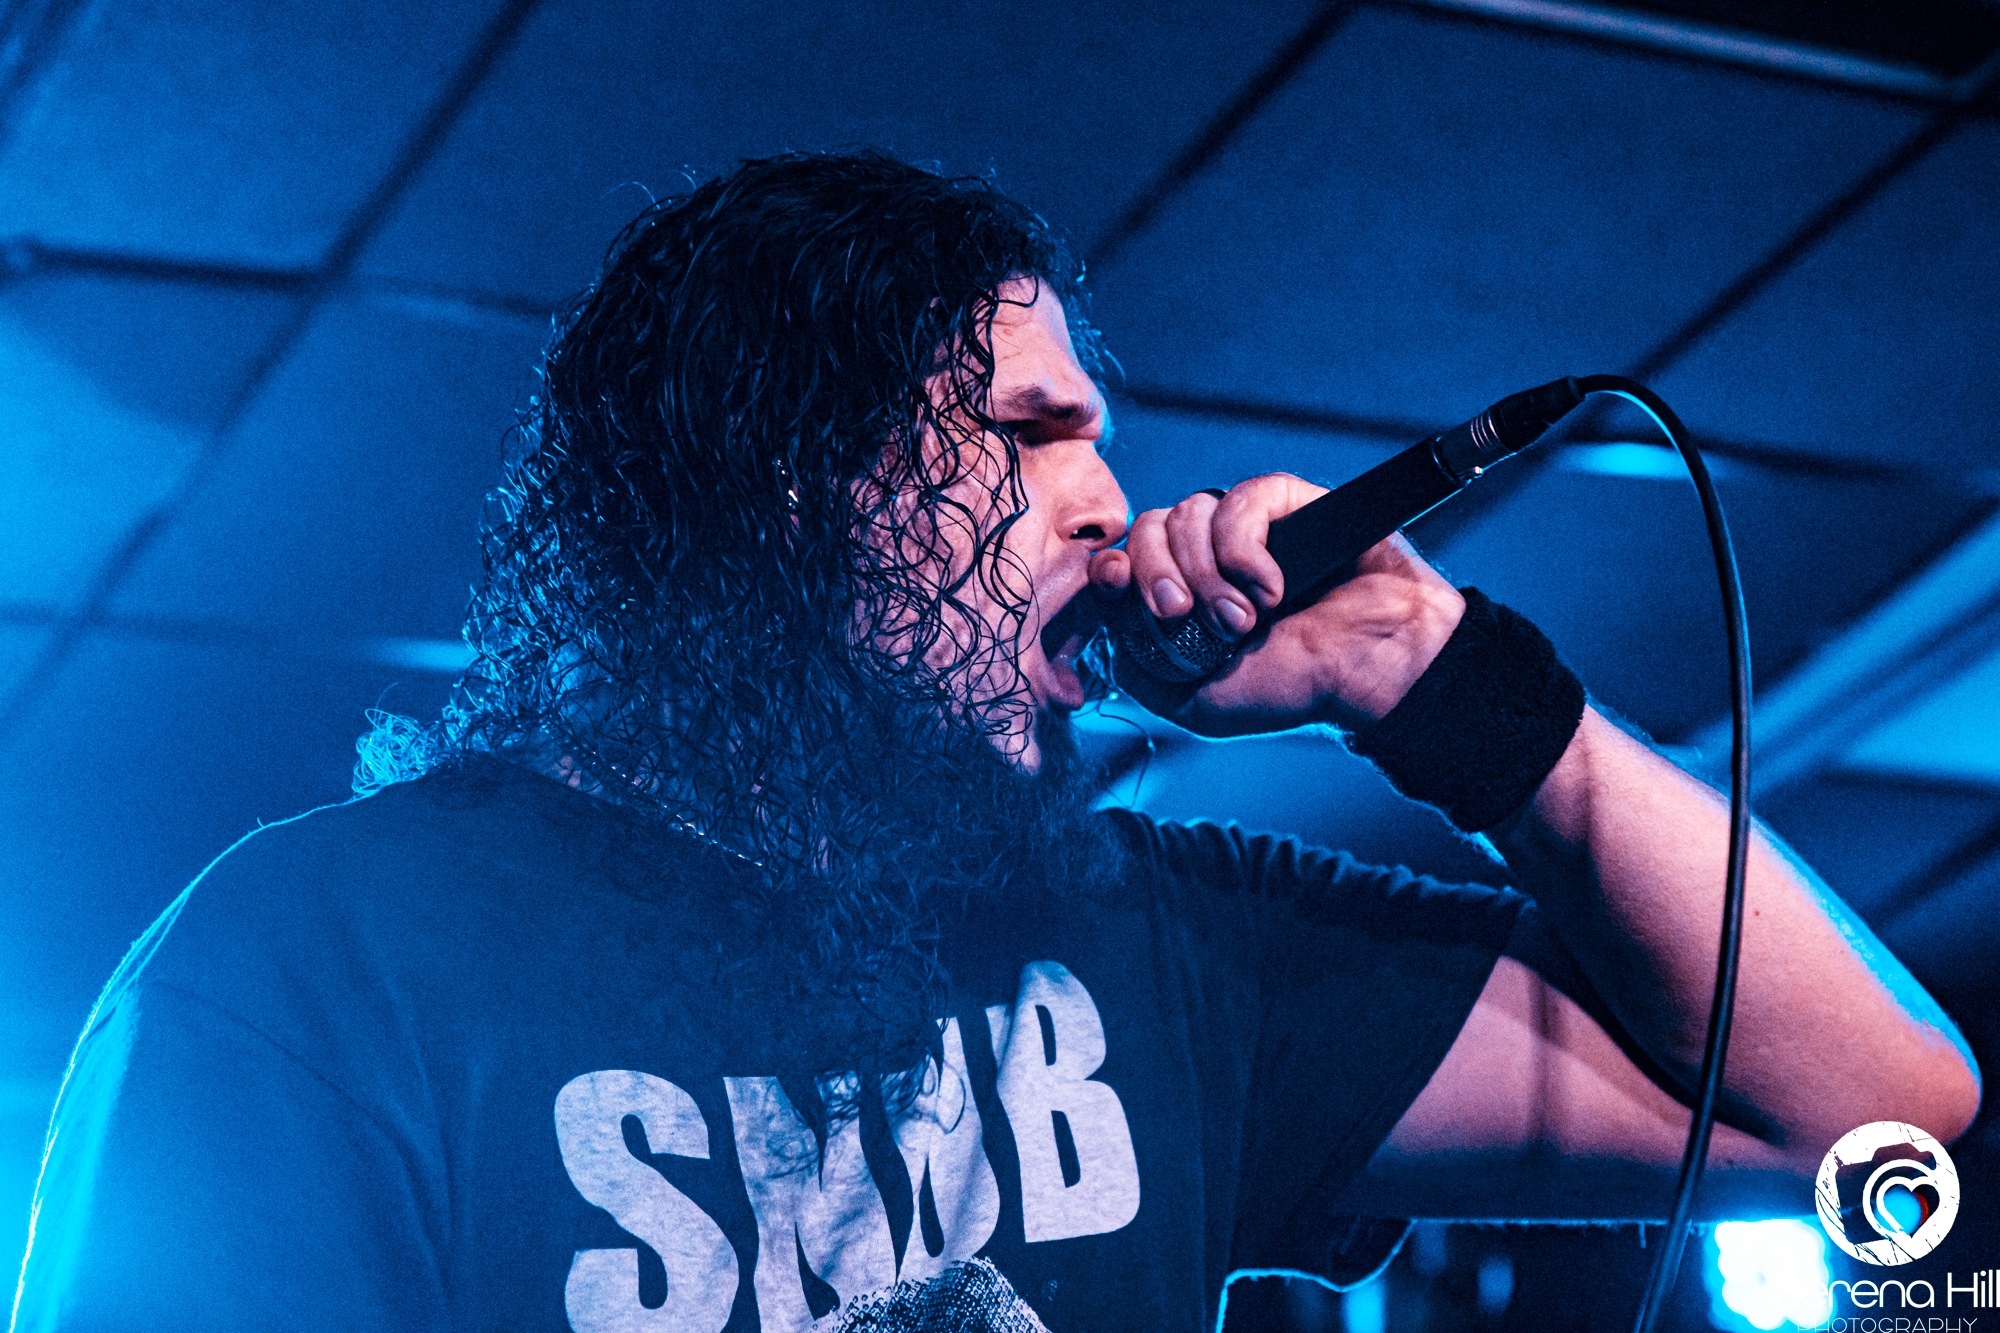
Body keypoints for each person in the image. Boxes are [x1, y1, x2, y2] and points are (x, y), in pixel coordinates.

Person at [12, 152, 1979, 1333]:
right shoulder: (319, 961)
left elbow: (1869, 1122)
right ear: (786, 484)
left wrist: (1426, 669)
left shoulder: (1165, 942)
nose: (1109, 502)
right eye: (1030, 434)